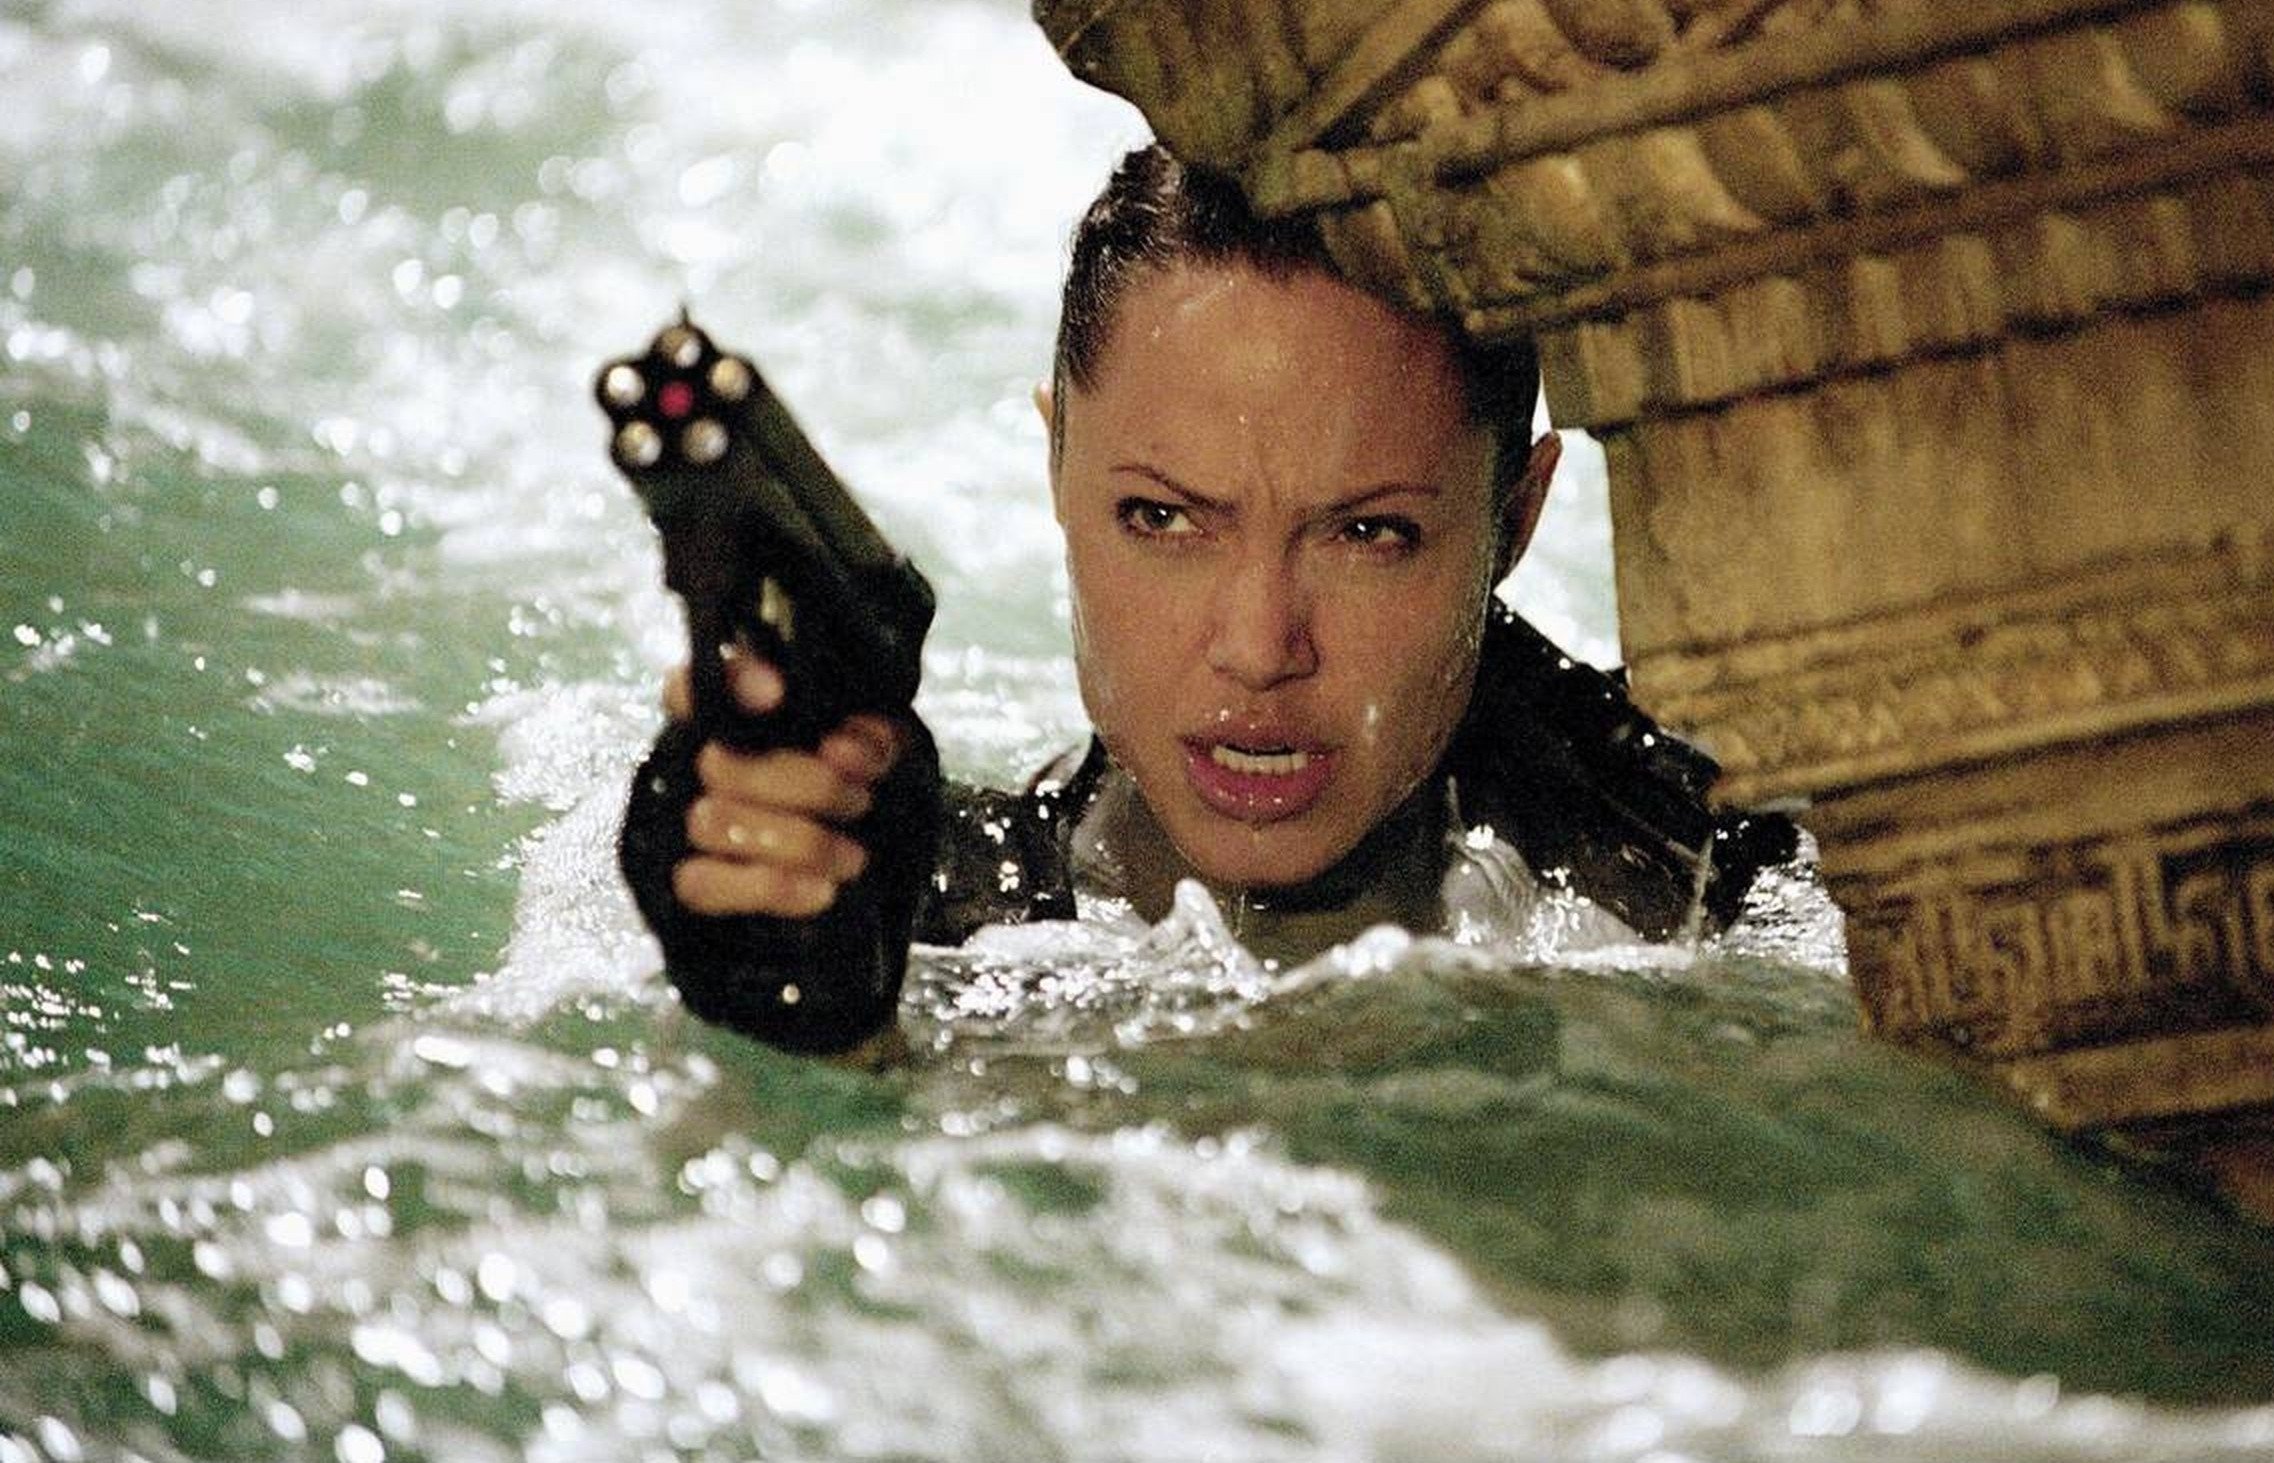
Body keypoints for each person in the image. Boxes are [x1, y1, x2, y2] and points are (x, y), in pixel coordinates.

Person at [622, 144, 1793, 1054]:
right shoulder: (938, 907)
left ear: (1516, 518)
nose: (1257, 647)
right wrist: (812, 1024)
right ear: (1056, 466)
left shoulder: (1743, 859)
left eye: (1368, 532)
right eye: (1163, 518)